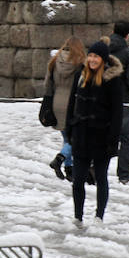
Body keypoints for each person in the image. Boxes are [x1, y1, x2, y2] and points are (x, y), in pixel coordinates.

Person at [64, 40, 123, 224]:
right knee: (78, 178)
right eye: (90, 55)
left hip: (101, 137)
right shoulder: (80, 76)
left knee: (100, 177)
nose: (92, 59)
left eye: (96, 56)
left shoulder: (112, 80)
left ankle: (99, 216)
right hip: (81, 135)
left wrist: (113, 140)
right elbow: (71, 105)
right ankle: (78, 216)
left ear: (103, 59)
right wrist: (69, 129)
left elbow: (117, 113)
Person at [44, 37, 87, 182]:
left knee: (67, 137)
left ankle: (69, 170)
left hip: (57, 102)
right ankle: (59, 159)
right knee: (74, 139)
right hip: (72, 104)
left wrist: (48, 102)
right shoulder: (80, 62)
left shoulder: (55, 60)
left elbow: (47, 84)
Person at [108, 21, 129, 184]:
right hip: (123, 101)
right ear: (127, 35)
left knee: (103, 135)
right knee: (126, 139)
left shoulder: (103, 50)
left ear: (113, 31)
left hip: (104, 101)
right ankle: (124, 174)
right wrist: (128, 88)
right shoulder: (128, 54)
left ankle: (95, 167)